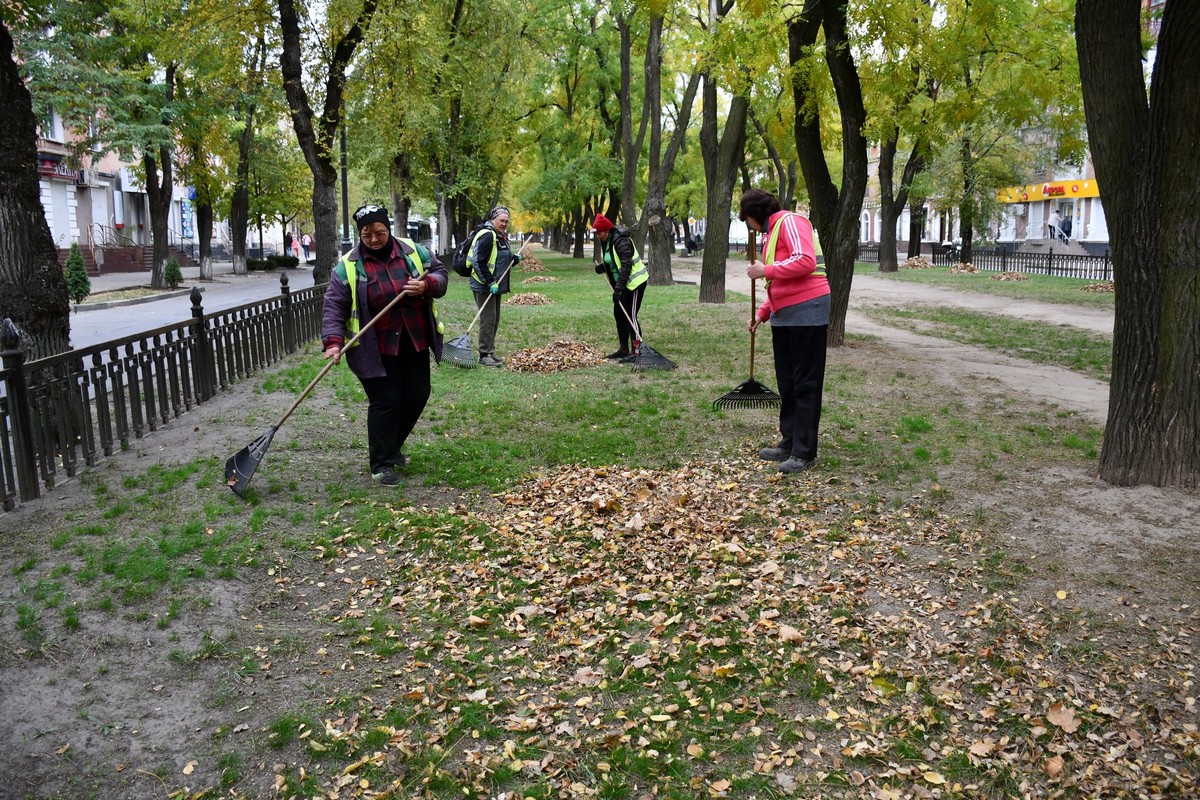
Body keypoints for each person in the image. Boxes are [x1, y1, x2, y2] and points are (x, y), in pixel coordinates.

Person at [320, 204, 448, 486]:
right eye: (367, 235)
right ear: (359, 235)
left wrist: (427, 285)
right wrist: (332, 342)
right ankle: (382, 463)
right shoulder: (349, 266)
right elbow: (334, 306)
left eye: (379, 232)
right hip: (374, 348)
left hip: (413, 340)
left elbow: (440, 273)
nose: (374, 239)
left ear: (388, 229)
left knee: (417, 395)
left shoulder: (413, 252)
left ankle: (391, 446)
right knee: (386, 401)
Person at [739, 188, 830, 475]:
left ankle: (805, 451)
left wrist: (765, 269)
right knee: (787, 383)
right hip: (785, 315)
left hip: (808, 311)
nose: (749, 227)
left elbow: (806, 261)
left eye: (747, 220)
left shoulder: (791, 221)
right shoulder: (773, 233)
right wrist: (763, 313)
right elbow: (779, 281)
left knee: (805, 383)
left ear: (754, 216)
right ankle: (790, 441)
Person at [467, 205, 520, 367]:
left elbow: (499, 259)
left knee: (494, 319)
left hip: (496, 285)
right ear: (493, 219)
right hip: (484, 285)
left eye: (506, 221)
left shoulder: (500, 236)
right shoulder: (487, 235)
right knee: (488, 319)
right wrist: (490, 282)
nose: (504, 224)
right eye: (501, 220)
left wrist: (513, 260)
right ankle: (484, 354)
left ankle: (490, 351)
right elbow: (478, 262)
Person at [592, 212, 649, 360]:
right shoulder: (607, 241)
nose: (598, 236)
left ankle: (637, 351)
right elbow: (614, 262)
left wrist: (618, 290)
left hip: (634, 283)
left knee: (630, 316)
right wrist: (603, 267)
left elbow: (626, 266)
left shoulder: (621, 241)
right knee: (619, 314)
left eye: (599, 233)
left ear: (607, 231)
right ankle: (624, 350)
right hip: (622, 284)